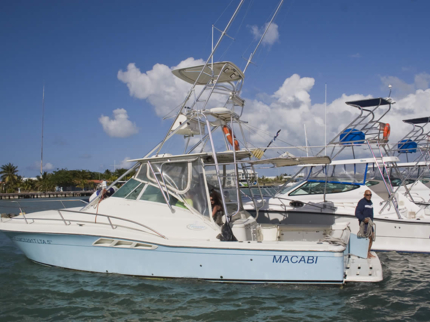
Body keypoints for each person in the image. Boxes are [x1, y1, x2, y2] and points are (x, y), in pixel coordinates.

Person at [355, 190, 375, 258]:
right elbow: (357, 213)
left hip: (370, 223)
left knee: (371, 237)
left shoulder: (370, 202)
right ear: (364, 195)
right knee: (366, 238)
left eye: (370, 195)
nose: (369, 196)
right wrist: (363, 219)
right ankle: (365, 252)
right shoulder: (362, 202)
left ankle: (368, 252)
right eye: (367, 195)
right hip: (364, 223)